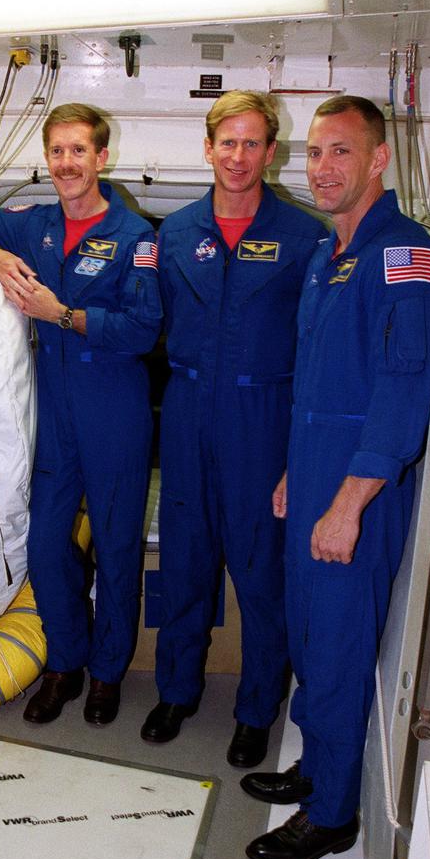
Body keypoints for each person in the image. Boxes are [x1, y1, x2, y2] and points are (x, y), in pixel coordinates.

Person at [243, 95, 430, 859]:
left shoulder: (405, 252)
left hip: (360, 486)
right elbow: (319, 380)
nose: (322, 169)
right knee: (307, 632)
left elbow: (402, 387)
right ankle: (316, 767)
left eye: (341, 153)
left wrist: (349, 504)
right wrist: (297, 469)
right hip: (317, 469)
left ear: (379, 159)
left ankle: (331, 815)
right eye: (315, 153)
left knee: (335, 645)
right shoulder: (332, 255)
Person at [0, 103, 162, 726]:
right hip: (54, 412)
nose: (67, 164)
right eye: (57, 152)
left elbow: (144, 330)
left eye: (78, 151)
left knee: (118, 549)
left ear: (101, 158)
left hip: (115, 408)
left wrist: (60, 314)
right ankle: (65, 659)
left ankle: (107, 673)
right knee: (44, 547)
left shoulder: (135, 238)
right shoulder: (36, 225)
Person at [141, 92, 327, 767]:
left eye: (253, 144)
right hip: (188, 413)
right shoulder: (174, 234)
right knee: (185, 563)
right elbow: (142, 321)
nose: (239, 156)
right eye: (228, 142)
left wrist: (296, 459)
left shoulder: (306, 240)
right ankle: (177, 691)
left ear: (271, 153)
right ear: (208, 147)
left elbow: (316, 355)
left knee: (261, 577)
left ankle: (255, 710)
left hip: (263, 422)